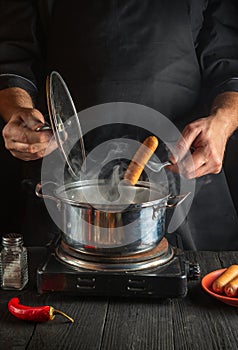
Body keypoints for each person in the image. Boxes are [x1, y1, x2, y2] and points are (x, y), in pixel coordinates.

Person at [0, 0, 238, 249]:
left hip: (183, 176)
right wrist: (20, 112)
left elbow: (229, 63)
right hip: (70, 184)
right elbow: (13, 58)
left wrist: (222, 122)